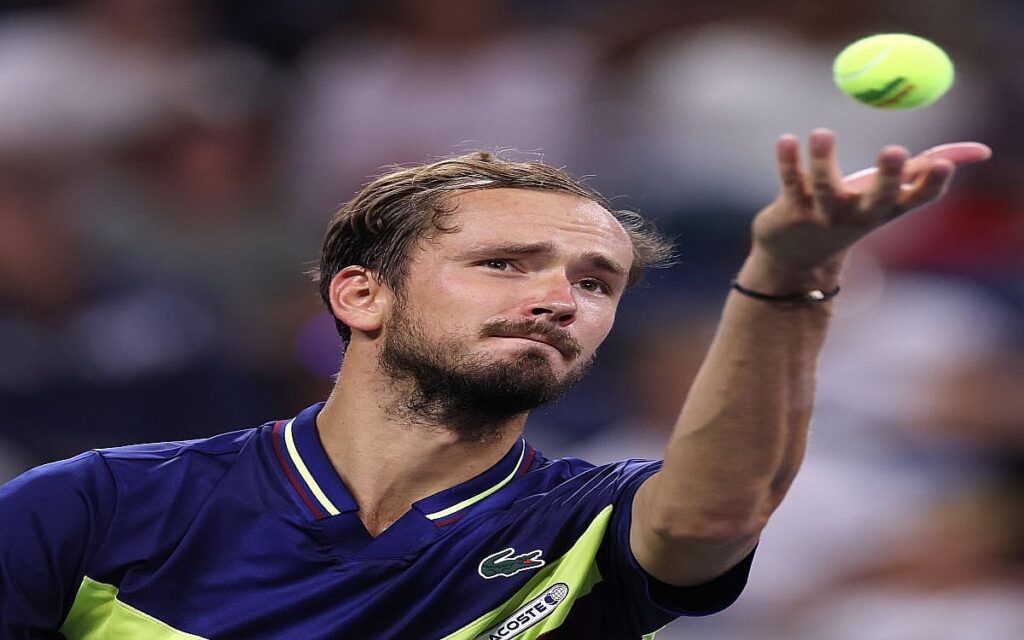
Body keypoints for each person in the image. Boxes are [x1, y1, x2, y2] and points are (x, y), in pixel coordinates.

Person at [0, 129, 990, 638]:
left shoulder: (590, 524)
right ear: (361, 294)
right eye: (504, 264)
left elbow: (714, 515)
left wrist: (787, 272)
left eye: (595, 282)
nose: (559, 297)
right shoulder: (97, 505)